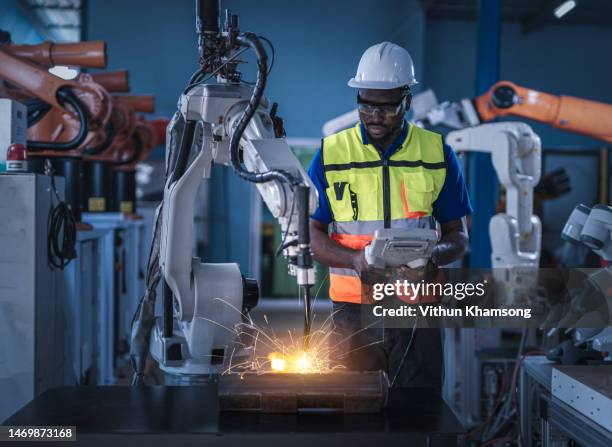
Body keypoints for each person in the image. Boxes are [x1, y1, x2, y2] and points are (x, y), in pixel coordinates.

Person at [308, 42, 472, 390]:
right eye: (366, 105)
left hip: (416, 311)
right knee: (351, 416)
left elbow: (458, 235)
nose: (375, 116)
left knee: (417, 415)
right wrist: (354, 260)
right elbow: (311, 235)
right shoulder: (330, 154)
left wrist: (433, 258)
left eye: (387, 107)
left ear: (407, 101)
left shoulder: (438, 153)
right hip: (353, 312)